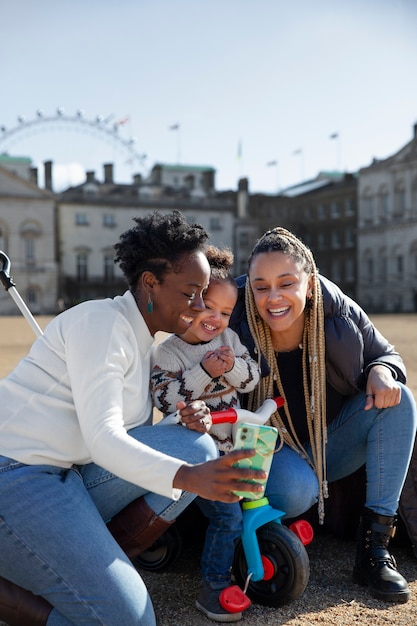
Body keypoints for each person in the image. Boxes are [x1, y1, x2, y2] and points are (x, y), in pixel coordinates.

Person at [0, 210, 266, 626]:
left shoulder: (145, 340)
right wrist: (189, 477)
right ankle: (17, 598)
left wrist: (183, 421)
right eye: (191, 293)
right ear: (150, 284)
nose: (199, 307)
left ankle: (89, 562)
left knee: (193, 443)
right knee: (132, 621)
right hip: (15, 475)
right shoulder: (100, 323)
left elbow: (130, 439)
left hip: (70, 474)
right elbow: (105, 438)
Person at [229, 226, 417, 604]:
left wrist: (381, 371)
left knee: (401, 402)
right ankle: (272, 524)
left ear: (310, 284)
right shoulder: (231, 312)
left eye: (286, 283)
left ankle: (374, 549)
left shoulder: (336, 309)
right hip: (269, 451)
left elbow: (386, 355)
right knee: (299, 491)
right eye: (261, 286)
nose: (273, 297)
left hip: (327, 444)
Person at [151, 245, 260, 623]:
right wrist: (206, 373)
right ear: (190, 302)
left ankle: (251, 558)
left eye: (225, 312)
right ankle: (213, 585)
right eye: (208, 306)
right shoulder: (170, 351)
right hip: (196, 458)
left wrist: (230, 368)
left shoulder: (228, 342)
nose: (215, 318)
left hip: (233, 445)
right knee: (228, 516)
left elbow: (252, 377)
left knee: (254, 498)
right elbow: (165, 400)